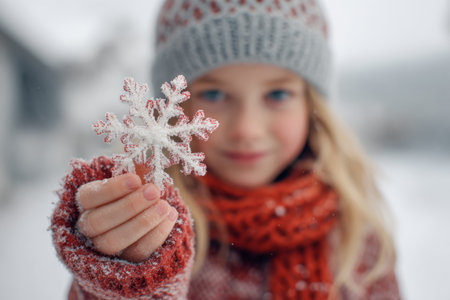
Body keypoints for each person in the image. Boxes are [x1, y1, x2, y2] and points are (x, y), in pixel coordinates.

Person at [51, 0, 403, 299]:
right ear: (173, 109)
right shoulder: (152, 235)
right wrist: (127, 279)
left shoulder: (356, 238)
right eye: (214, 95)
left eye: (277, 95)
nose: (247, 129)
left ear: (312, 106)